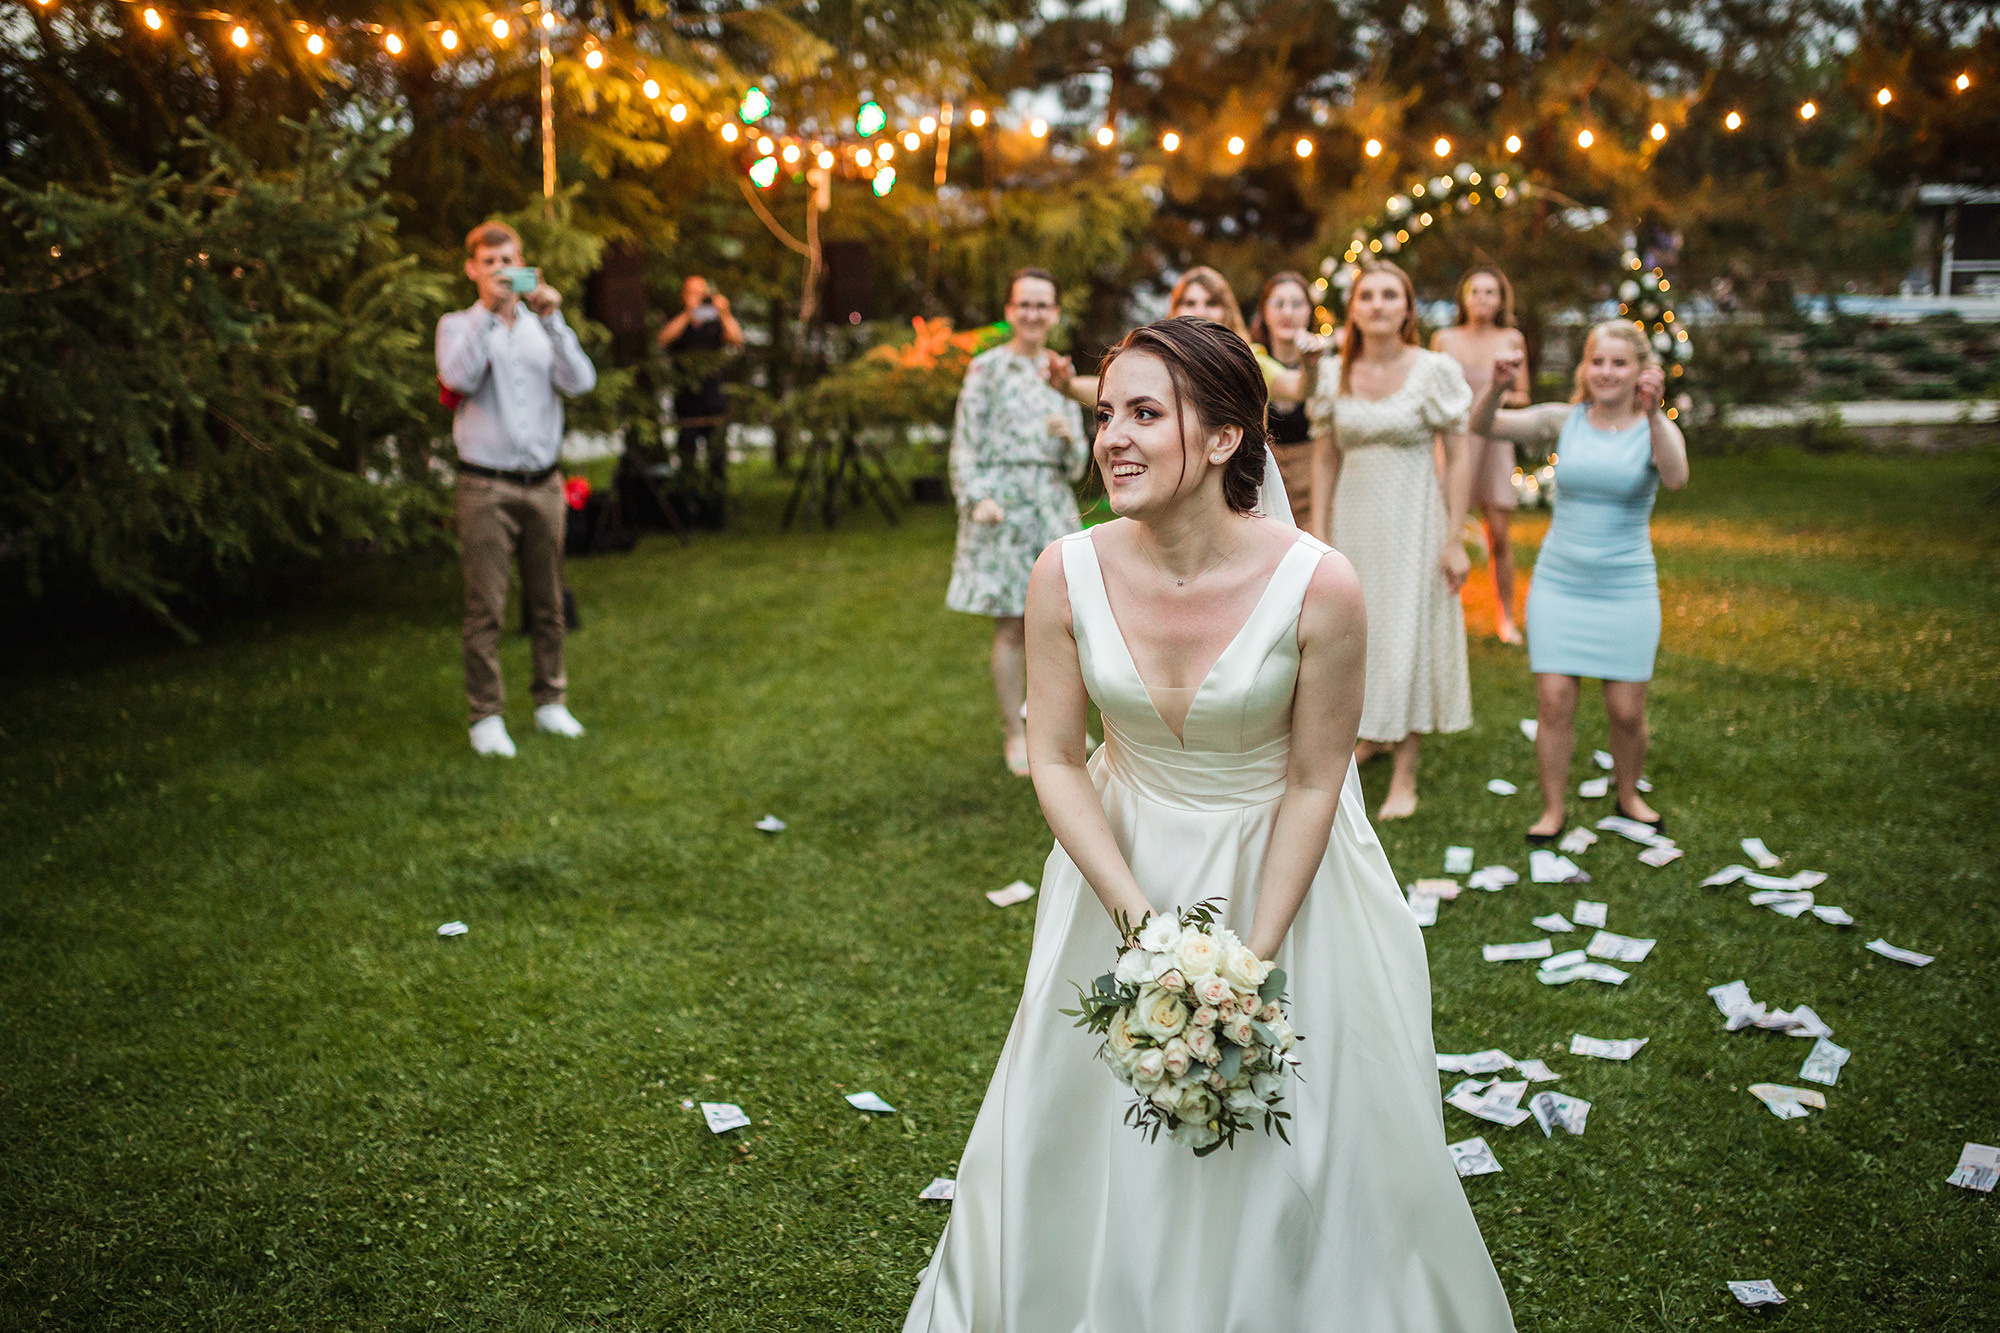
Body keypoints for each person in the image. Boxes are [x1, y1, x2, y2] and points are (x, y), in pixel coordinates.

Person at [905, 317, 1515, 1332]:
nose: (1112, 438)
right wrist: (1142, 929)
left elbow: (1319, 780)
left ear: (1227, 437)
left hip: (1284, 873)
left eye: (1145, 413)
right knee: (1091, 1133)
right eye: (1105, 413)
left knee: (1299, 1146)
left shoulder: (1319, 584)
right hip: (1118, 867)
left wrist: (1246, 965)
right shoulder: (1063, 571)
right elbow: (1056, 759)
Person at [1469, 320, 1689, 842]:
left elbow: (1677, 477)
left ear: (1640, 371)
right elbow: (1482, 425)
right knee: (1554, 701)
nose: (1606, 372)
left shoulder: (1655, 427)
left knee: (1626, 710)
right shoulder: (1563, 420)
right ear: (1584, 369)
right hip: (1559, 584)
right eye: (1597, 362)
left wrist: (1656, 416)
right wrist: (1497, 384)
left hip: (1626, 587)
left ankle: (1629, 793)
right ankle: (1552, 809)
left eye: (1619, 363)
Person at [1306, 260, 1474, 820]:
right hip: (1354, 519)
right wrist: (1320, 531)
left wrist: (1455, 536)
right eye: (1367, 296)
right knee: (1355, 634)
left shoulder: (1435, 370)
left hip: (1414, 519)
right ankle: (1369, 734)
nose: (1378, 304)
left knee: (1408, 630)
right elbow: (1326, 455)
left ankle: (1405, 773)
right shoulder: (1333, 373)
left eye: (1390, 295)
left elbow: (1460, 453)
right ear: (1353, 309)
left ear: (1407, 309)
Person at [436, 220, 598, 758]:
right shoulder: (457, 325)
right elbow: (456, 379)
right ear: (473, 270)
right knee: (486, 605)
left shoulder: (541, 325)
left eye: (509, 261)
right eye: (490, 264)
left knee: (548, 600)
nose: (501, 272)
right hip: (485, 486)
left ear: (524, 262)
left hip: (544, 484)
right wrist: (488, 316)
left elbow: (581, 382)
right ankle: (486, 716)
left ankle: (551, 701)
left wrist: (553, 318)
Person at [946, 267, 1089, 776]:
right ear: (1010, 312)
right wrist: (976, 497)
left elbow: (1077, 468)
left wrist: (1071, 440)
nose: (1032, 314)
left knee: (1067, 624)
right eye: (1023, 304)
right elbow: (964, 439)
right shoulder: (986, 369)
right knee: (1012, 625)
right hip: (1001, 509)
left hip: (1051, 504)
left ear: (1053, 313)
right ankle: (1015, 733)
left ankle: (1059, 726)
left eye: (1041, 305)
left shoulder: (1060, 372)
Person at [1432, 268, 1531, 643]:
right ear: (1464, 298)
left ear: (1501, 300)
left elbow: (1523, 395)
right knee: (1442, 530)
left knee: (1500, 535)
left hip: (1494, 439)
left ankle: (1505, 618)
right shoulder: (1444, 339)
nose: (1484, 300)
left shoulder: (1511, 338)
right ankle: (1441, 618)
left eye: (1492, 293)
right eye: (1477, 292)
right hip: (1453, 441)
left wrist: (1492, 400)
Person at [1046, 265, 1250, 409]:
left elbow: (1280, 382)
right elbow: (1115, 389)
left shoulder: (1247, 361)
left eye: (1211, 304)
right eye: (1189, 303)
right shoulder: (1163, 363)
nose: (1199, 311)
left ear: (1227, 311)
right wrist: (1068, 386)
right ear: (1174, 310)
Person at [655, 275, 745, 529]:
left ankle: (715, 518)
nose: (698, 296)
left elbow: (738, 340)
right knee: (687, 460)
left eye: (702, 292)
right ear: (684, 295)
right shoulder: (679, 320)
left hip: (715, 402)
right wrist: (688, 313)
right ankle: (686, 517)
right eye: (692, 292)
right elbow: (663, 339)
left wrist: (724, 312)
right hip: (687, 403)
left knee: (717, 462)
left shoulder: (716, 321)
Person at [1248, 271, 1326, 529]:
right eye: (1278, 304)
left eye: (1297, 304)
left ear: (1310, 311)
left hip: (1315, 491)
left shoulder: (1327, 366)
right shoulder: (1252, 363)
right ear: (1264, 312)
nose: (1287, 312)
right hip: (1264, 489)